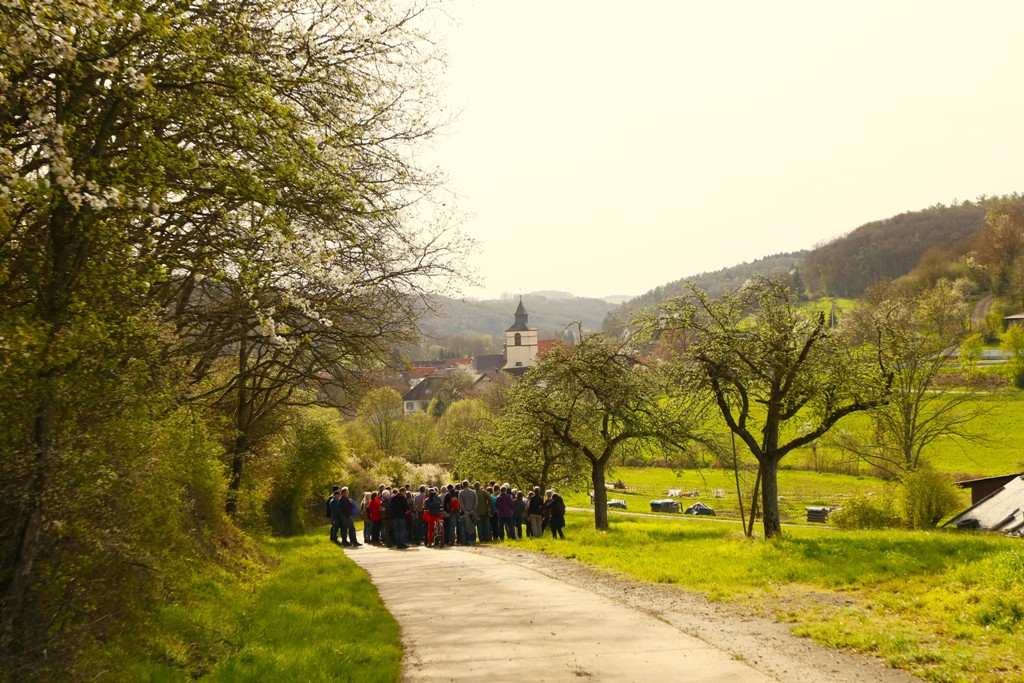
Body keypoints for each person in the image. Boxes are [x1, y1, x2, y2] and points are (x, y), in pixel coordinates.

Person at [458, 479, 478, 545]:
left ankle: (468, 540)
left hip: (465, 512)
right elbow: (476, 502)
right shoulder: (473, 492)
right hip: (472, 511)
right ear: (468, 484)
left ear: (463, 485)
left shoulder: (461, 493)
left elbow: (460, 503)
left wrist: (465, 510)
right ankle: (474, 539)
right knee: (473, 525)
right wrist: (473, 510)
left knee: (466, 526)